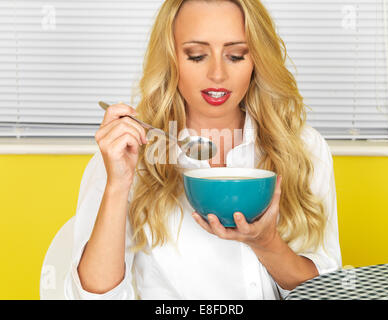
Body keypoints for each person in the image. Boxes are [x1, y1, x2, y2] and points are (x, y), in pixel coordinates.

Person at [65, 0, 341, 300]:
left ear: (256, 60)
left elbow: (324, 293)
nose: (218, 74)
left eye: (235, 55)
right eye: (197, 56)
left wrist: (267, 242)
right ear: (171, 58)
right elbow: (91, 297)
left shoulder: (302, 148)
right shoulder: (128, 154)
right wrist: (117, 186)